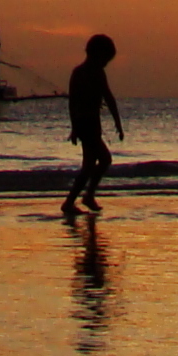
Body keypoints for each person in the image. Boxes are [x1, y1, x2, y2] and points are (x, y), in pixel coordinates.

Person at [58, 31, 122, 220]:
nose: (106, 63)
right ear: (96, 54)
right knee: (103, 160)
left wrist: (117, 122)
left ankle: (77, 199)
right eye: (105, 59)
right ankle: (82, 198)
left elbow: (106, 98)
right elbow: (76, 102)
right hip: (86, 124)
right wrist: (75, 128)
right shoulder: (87, 72)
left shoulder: (88, 72)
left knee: (90, 164)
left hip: (90, 123)